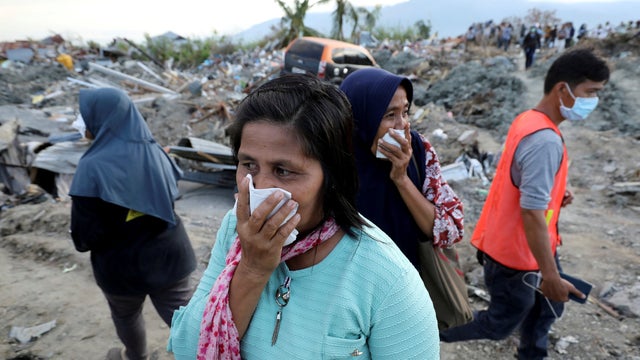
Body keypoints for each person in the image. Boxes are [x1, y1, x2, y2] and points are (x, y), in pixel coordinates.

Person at [168, 73, 440, 359]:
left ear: (330, 176)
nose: (260, 188)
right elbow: (189, 349)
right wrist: (252, 268)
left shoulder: (387, 279)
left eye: (283, 171)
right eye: (249, 165)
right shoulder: (235, 228)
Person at [439, 49, 610, 359]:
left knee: (547, 306)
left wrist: (556, 194)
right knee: (498, 324)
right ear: (563, 89)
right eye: (591, 92)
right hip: (515, 257)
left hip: (520, 246)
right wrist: (550, 276)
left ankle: (532, 353)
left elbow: (521, 180)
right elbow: (531, 213)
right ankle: (422, 331)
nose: (594, 101)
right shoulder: (544, 139)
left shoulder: (529, 120)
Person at [69, 88, 196, 360]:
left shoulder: (91, 168)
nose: (79, 123)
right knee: (187, 320)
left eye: (83, 116)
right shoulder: (156, 152)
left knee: (126, 316)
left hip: (120, 271)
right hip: (170, 260)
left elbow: (83, 239)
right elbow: (171, 196)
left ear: (101, 119)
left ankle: (136, 356)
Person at [339, 68, 465, 324]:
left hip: (406, 294)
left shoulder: (419, 151)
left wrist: (402, 178)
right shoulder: (332, 160)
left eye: (405, 112)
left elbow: (450, 228)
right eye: (389, 115)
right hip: (347, 299)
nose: (403, 124)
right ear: (359, 120)